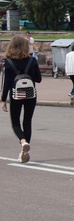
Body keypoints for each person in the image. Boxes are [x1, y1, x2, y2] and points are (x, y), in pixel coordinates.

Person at [2, 33, 42, 163]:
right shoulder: (32, 60)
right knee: (27, 121)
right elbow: (38, 79)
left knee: (15, 122)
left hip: (16, 95)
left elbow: (6, 83)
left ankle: (23, 142)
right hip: (31, 95)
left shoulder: (8, 62)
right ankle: (25, 151)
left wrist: (3, 100)